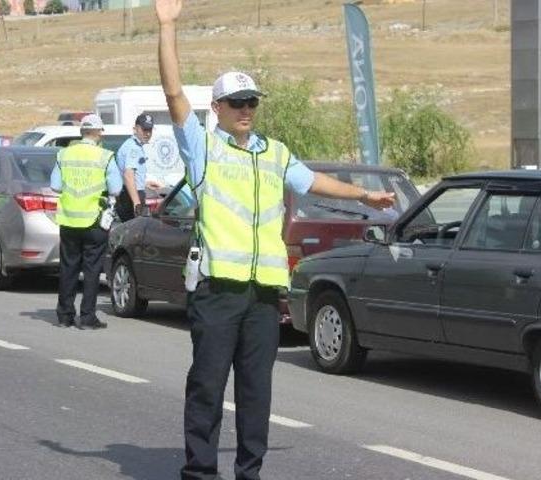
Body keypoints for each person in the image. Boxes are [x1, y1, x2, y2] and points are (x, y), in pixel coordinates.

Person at [155, 1, 396, 479]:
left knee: (256, 390)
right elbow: (173, 91)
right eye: (237, 103)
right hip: (218, 291)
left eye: (252, 102)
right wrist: (167, 26)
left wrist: (366, 193)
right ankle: (200, 472)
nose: (246, 110)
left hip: (263, 295)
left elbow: (315, 183)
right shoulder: (202, 147)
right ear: (217, 109)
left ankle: (250, 471)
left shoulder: (276, 152)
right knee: (206, 385)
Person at [50, 114, 123, 330]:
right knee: (91, 270)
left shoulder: (64, 154)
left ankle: (64, 316)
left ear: (82, 132)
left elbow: (55, 185)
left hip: (70, 220)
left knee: (68, 267)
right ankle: (88, 317)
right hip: (94, 221)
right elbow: (116, 189)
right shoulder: (105, 156)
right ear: (99, 133)